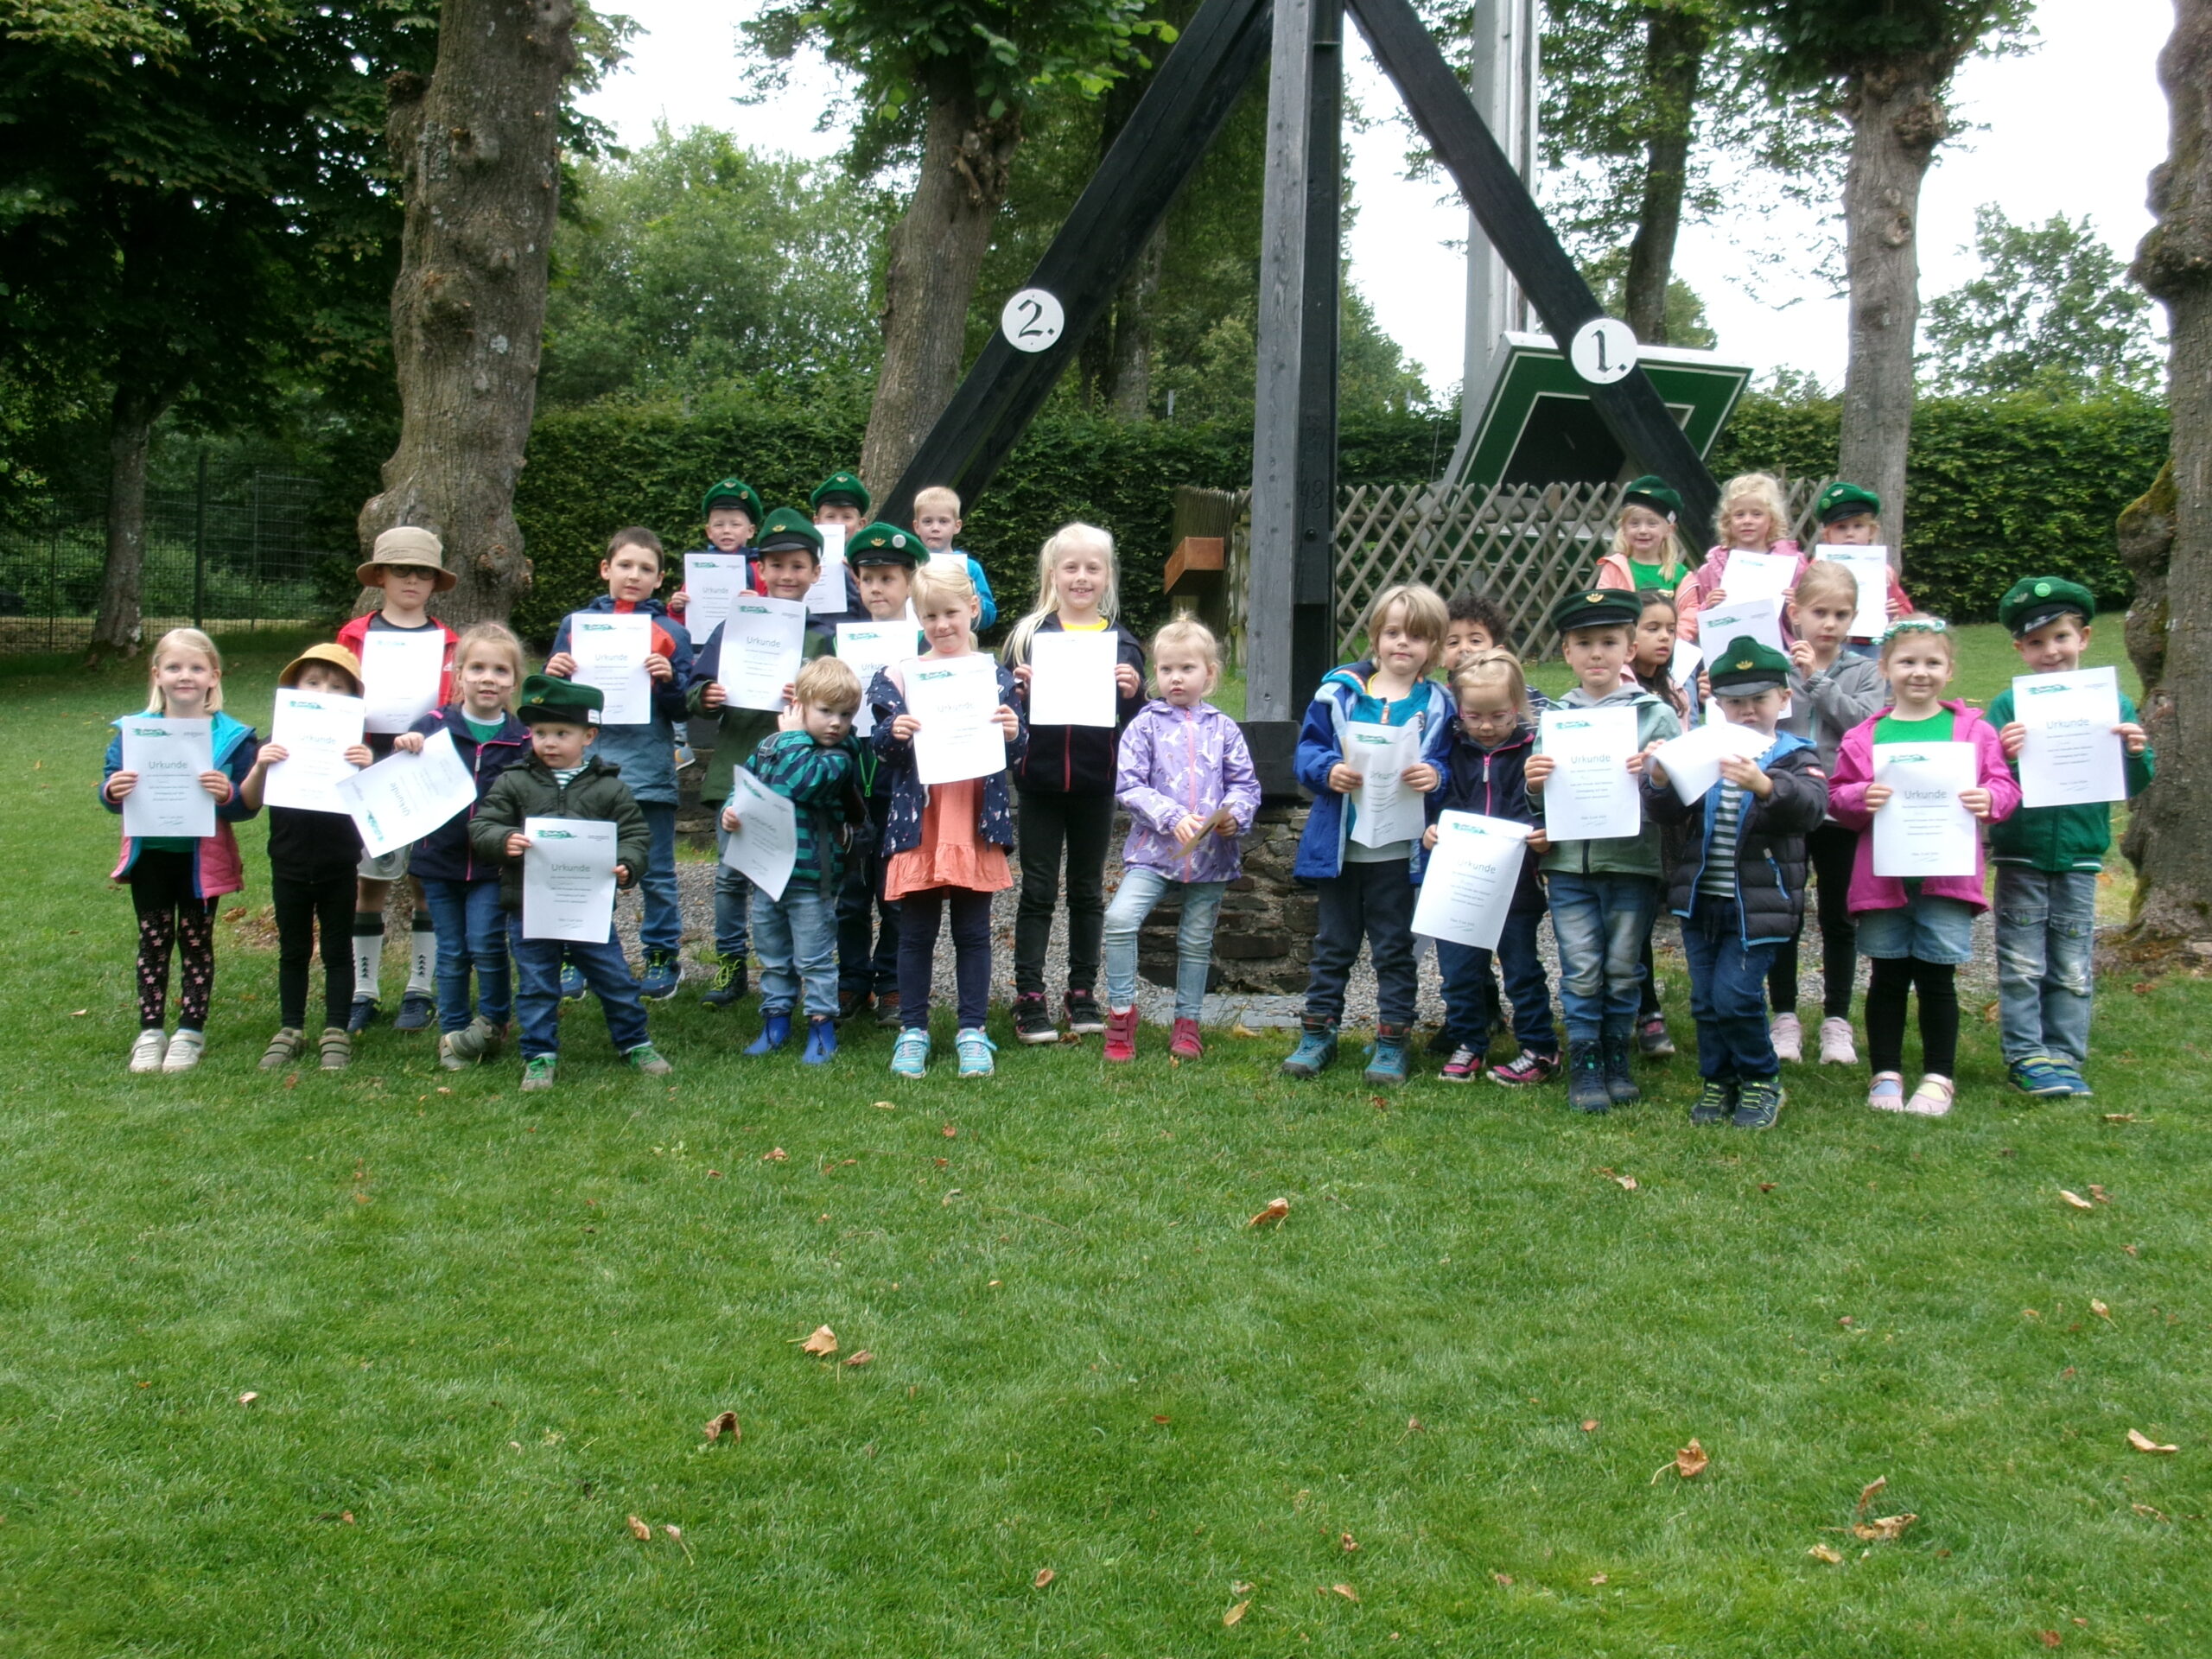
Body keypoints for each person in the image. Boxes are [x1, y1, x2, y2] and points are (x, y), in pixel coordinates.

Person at [1827, 616, 2019, 1117]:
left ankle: (1939, 1076)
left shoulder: (1973, 731)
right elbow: (1838, 796)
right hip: (1884, 878)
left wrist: (1990, 799)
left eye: (1932, 662)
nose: (1920, 672)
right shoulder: (1866, 735)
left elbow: (2005, 786)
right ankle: (1885, 1072)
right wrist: (1859, 797)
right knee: (1887, 977)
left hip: (1946, 878)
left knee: (1937, 979)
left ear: (1949, 670)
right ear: (1885, 668)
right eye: (1907, 662)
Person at [1643, 637, 1829, 1130]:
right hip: (1702, 898)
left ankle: (1761, 1078)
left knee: (1737, 996)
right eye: (1735, 702)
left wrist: (1766, 786)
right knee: (1705, 1000)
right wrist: (1660, 777)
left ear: (1783, 699)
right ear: (1717, 705)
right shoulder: (1705, 749)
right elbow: (1667, 813)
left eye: (1759, 699)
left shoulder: (1793, 755)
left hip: (1761, 903)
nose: (1747, 711)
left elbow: (1811, 808)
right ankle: (1718, 1079)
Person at [1987, 576, 2154, 1097]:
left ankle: (2064, 1056)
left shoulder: (2115, 705)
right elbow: (1989, 784)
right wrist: (2005, 756)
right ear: (2020, 649)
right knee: (2020, 963)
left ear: (2084, 637)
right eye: (2036, 643)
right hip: (2022, 852)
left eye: (2060, 637)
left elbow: (2135, 784)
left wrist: (2134, 753)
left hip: (2081, 855)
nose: (2050, 651)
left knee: (2073, 962)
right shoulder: (2007, 707)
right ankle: (2026, 1056)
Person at [1281, 582, 1452, 1086]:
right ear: (1375, 639)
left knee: (1395, 949)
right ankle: (1318, 1033)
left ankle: (1393, 1040)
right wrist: (1328, 769)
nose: (1404, 644)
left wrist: (1435, 777)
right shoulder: (1338, 694)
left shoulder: (1438, 705)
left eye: (1417, 636)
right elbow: (1306, 753)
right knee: (1332, 944)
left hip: (1400, 853)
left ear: (1433, 648)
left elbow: (1448, 767)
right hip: (1341, 848)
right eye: (1393, 632)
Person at [467, 675, 671, 1091]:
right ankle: (539, 1055)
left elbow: (636, 836)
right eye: (540, 733)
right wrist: (503, 840)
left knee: (614, 978)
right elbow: (482, 825)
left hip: (588, 911)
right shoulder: (513, 781)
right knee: (538, 984)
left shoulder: (610, 788)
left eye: (562, 733)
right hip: (530, 909)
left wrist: (626, 865)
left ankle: (635, 1041)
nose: (549, 743)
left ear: (589, 736)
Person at [867, 563, 1028, 1079]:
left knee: (974, 932)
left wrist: (1012, 731)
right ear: (918, 616)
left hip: (974, 819)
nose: (941, 625)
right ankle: (913, 1030)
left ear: (973, 610)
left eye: (951, 613)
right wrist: (894, 731)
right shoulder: (899, 676)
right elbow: (880, 751)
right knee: (914, 933)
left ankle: (972, 1031)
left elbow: (1020, 749)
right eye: (930, 615)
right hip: (922, 822)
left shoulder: (995, 676)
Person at [1526, 588, 1682, 1112]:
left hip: (1632, 862)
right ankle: (1586, 1061)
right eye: (1584, 643)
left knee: (1622, 967)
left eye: (1609, 642)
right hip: (1569, 866)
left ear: (1631, 648)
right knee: (1581, 966)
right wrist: (1533, 781)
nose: (1597, 654)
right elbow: (1539, 795)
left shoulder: (1654, 716)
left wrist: (1659, 770)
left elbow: (1675, 797)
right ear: (1566, 653)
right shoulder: (1554, 720)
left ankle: (1617, 1053)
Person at [1001, 523, 1147, 1045]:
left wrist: (1134, 694)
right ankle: (1029, 996)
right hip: (1038, 783)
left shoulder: (1124, 643)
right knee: (1037, 891)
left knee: (1087, 892)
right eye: (1071, 567)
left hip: (1096, 784)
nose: (1081, 577)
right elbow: (1001, 713)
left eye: (1093, 567)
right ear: (1052, 574)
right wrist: (1016, 692)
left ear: (1107, 575)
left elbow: (1138, 727)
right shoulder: (1027, 636)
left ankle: (1082, 993)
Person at [687, 507, 836, 1010]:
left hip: (797, 776)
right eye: (776, 566)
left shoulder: (823, 636)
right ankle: (731, 969)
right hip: (740, 765)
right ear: (761, 570)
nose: (786, 575)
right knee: (731, 879)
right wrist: (707, 695)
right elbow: (696, 685)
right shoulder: (737, 622)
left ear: (816, 573)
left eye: (798, 566)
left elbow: (840, 702)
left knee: (798, 880)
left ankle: (797, 973)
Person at [99, 628, 261, 1075]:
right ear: (157, 675)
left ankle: (190, 1031)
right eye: (173, 667)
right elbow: (110, 784)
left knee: (196, 942)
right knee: (152, 940)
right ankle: (150, 1032)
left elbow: (246, 806)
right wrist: (113, 789)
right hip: (150, 853)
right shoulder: (135, 731)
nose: (184, 676)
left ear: (214, 676)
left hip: (201, 862)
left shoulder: (233, 737)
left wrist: (225, 793)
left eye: (195, 668)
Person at [1099, 619, 1261, 1063]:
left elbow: (1244, 785)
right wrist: (1170, 817)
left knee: (1194, 940)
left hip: (1211, 857)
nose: (1175, 677)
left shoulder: (1224, 728)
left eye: (1187, 668)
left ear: (1209, 674)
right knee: (1119, 919)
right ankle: (1121, 1014)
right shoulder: (1144, 725)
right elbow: (1129, 786)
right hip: (1152, 854)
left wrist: (1234, 819)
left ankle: (1187, 1023)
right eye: (1166, 668)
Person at [545, 527, 695, 1000]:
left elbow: (682, 708)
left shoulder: (673, 632)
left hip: (648, 769)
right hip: (585, 767)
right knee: (583, 865)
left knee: (656, 872)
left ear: (660, 578)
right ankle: (579, 955)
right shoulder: (576, 626)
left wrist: (669, 681)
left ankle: (660, 956)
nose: (635, 575)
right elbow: (553, 708)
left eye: (646, 569)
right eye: (626, 565)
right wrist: (554, 676)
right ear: (605, 569)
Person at [338, 526, 460, 1033]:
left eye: (424, 573)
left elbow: (454, 707)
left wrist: (428, 736)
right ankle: (364, 991)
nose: (412, 580)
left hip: (427, 767)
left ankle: (420, 988)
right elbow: (335, 701)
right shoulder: (355, 635)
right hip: (369, 768)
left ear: (435, 582)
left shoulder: (448, 641)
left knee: (426, 881)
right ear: (381, 576)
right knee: (370, 882)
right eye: (402, 570)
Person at [394, 621, 531, 1071]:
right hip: (439, 860)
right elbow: (399, 773)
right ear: (458, 673)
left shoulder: (522, 738)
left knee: (488, 944)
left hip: (495, 865)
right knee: (451, 951)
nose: (488, 678)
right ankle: (452, 1034)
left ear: (514, 680)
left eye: (500, 670)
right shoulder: (432, 727)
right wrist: (407, 744)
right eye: (477, 668)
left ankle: (492, 1023)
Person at [1423, 650, 1558, 1086]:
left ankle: (1539, 1046)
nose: (1485, 725)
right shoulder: (1450, 748)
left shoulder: (1531, 751)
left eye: (1498, 716)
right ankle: (1468, 1040)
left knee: (1522, 969)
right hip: (1456, 881)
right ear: (1459, 710)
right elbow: (1435, 801)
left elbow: (1546, 805)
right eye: (1474, 715)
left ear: (1517, 708)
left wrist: (1542, 833)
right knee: (1459, 969)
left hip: (1516, 884)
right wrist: (1429, 831)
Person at [238, 644, 374, 1071]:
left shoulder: (358, 746)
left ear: (352, 699)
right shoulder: (273, 744)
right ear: (293, 689)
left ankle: (336, 1028)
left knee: (338, 949)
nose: (324, 692)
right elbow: (248, 802)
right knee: (293, 948)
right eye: (313, 683)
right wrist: (261, 765)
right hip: (289, 861)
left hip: (339, 862)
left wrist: (370, 768)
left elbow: (377, 809)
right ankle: (290, 1027)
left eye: (337, 686)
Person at [1773, 560, 1887, 1065]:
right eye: (1819, 612)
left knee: (1839, 917)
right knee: (1785, 912)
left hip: (1843, 810)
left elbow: (1865, 726)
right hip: (1789, 804)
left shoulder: (1865, 671)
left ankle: (1837, 1019)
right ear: (1795, 614)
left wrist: (1819, 681)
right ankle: (1784, 1016)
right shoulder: (1776, 668)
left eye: (1841, 614)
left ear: (1855, 618)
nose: (1829, 624)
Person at [728, 657, 867, 1065]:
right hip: (767, 874)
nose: (836, 723)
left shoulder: (839, 757)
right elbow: (748, 786)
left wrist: (791, 739)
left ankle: (822, 1027)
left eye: (845, 714)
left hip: (811, 878)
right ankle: (775, 1020)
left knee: (815, 958)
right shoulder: (771, 747)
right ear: (800, 705)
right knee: (772, 953)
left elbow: (802, 782)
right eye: (826, 711)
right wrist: (730, 811)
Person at [836, 522, 925, 1027]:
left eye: (888, 578)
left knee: (897, 894)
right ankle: (852, 982)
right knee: (850, 895)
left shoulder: (921, 643)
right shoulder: (839, 642)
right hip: (849, 783)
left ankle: (891, 983)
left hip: (901, 788)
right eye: (867, 578)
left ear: (908, 582)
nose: (876, 588)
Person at [1673, 472, 1808, 642]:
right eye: (1739, 515)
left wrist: (1795, 605)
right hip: (1726, 650)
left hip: (1778, 652)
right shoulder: (1711, 569)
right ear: (1728, 521)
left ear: (1772, 519)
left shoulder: (1792, 566)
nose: (1747, 521)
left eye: (1757, 514)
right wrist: (1708, 606)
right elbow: (1696, 622)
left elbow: (1810, 622)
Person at [1807, 481, 1912, 658]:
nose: (1850, 533)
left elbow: (1905, 612)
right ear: (1827, 535)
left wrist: (1895, 613)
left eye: (1858, 526)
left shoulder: (1883, 572)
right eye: (1841, 527)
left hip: (1873, 646)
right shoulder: (1815, 569)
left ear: (1871, 531)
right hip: (1829, 643)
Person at [665, 476, 765, 625]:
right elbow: (683, 621)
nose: (726, 531)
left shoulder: (759, 568)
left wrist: (759, 604)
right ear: (709, 531)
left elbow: (771, 613)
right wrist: (677, 609)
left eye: (735, 524)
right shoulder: (699, 569)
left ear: (750, 531)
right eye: (718, 525)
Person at [911, 485, 999, 630]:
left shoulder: (971, 568)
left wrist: (970, 597)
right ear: (916, 526)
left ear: (957, 526)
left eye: (943, 521)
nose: (935, 528)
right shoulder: (911, 565)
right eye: (927, 521)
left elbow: (989, 615)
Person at [1594, 474, 1694, 595]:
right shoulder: (1614, 568)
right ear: (1624, 528)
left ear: (1669, 530)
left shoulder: (1680, 575)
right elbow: (1603, 608)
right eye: (1634, 523)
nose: (1642, 530)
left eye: (1652, 524)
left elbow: (1689, 611)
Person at [807, 470, 872, 619]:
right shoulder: (805, 556)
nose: (838, 523)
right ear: (817, 521)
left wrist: (861, 578)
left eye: (847, 517)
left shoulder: (869, 560)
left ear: (861, 524)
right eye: (830, 516)